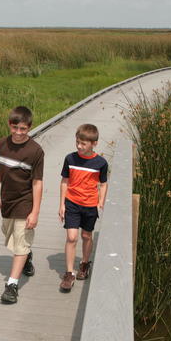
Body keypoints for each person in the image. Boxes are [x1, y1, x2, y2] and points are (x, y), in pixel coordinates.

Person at [0, 106, 44, 304]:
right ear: (9, 125)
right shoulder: (2, 144)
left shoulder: (35, 151)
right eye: (15, 128)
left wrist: (35, 211)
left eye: (23, 129)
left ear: (29, 127)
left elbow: (38, 182)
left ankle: (12, 285)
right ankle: (27, 254)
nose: (19, 133)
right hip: (7, 199)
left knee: (20, 241)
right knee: (9, 234)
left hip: (25, 201)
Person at [58, 123, 108, 292]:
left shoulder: (100, 162)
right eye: (77, 142)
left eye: (83, 143)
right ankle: (69, 273)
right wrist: (62, 204)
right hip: (72, 202)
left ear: (94, 143)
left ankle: (85, 263)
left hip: (89, 205)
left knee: (86, 235)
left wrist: (100, 201)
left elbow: (103, 183)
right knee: (72, 237)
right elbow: (65, 181)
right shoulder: (70, 159)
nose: (79, 146)